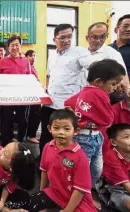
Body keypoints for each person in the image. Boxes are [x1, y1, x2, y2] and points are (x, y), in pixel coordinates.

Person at [5, 109, 96, 212]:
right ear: (49, 128)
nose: (61, 132)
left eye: (66, 129)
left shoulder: (80, 157)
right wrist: (42, 193)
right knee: (28, 206)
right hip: (54, 194)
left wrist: (67, 210)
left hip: (77, 202)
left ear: (75, 131)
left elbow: (80, 190)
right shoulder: (48, 147)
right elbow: (44, 171)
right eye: (56, 128)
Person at [65, 59, 126, 188]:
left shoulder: (86, 90)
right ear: (98, 82)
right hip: (87, 138)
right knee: (89, 170)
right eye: (114, 83)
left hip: (90, 136)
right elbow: (108, 120)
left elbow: (68, 102)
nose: (115, 88)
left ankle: (82, 192)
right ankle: (80, 195)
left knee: (88, 170)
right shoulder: (100, 93)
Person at [40, 24, 92, 157]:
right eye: (62, 37)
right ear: (54, 39)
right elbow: (48, 75)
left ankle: (62, 163)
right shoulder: (52, 56)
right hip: (49, 103)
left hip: (67, 105)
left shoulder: (80, 53)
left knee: (64, 136)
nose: (66, 40)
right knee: (46, 135)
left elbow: (92, 67)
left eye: (69, 37)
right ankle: (44, 160)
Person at [0, 35, 32, 147]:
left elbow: (29, 78)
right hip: (6, 98)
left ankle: (21, 142)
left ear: (21, 46)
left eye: (17, 45)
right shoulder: (2, 62)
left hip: (22, 98)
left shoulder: (26, 61)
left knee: (23, 121)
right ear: (8, 47)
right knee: (5, 121)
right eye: (12, 45)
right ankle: (5, 144)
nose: (15, 47)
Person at [97, 124, 130, 212]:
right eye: (126, 137)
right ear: (114, 142)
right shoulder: (111, 155)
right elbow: (126, 184)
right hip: (114, 190)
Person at [25, 50, 41, 144]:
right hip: (30, 96)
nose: (33, 57)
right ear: (26, 57)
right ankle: (31, 135)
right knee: (34, 116)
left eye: (34, 55)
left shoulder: (33, 68)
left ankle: (31, 135)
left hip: (36, 95)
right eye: (31, 56)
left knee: (35, 116)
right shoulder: (26, 68)